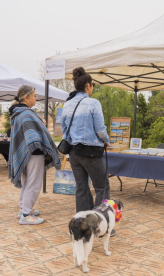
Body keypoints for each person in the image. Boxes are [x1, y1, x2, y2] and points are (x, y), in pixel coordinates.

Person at [61, 67, 115, 235]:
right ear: (88, 86)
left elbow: (63, 128)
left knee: (81, 187)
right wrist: (106, 140)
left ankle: (84, 225)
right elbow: (100, 129)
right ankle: (101, 225)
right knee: (102, 186)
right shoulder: (93, 103)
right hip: (90, 151)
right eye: (92, 85)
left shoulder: (67, 104)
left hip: (74, 152)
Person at [8, 85, 61, 225]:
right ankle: (26, 214)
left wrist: (39, 122)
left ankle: (23, 209)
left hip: (26, 153)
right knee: (34, 183)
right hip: (34, 153)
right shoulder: (26, 113)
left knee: (26, 182)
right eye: (34, 96)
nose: (36, 98)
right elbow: (35, 133)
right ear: (26, 97)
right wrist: (41, 124)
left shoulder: (19, 112)